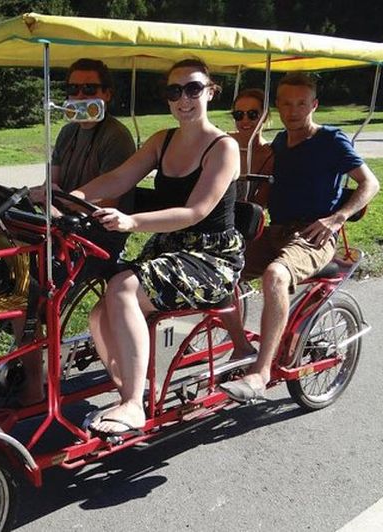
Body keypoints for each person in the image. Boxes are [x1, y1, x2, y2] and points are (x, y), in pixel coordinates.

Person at [72, 58, 243, 436]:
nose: (183, 98)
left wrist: (132, 222)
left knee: (122, 288)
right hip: (170, 246)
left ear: (211, 91)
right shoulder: (161, 140)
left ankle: (134, 405)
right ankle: (129, 395)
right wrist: (71, 197)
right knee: (100, 313)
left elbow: (195, 212)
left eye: (193, 88)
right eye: (173, 91)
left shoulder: (224, 147)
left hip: (212, 256)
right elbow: (118, 178)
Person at [219, 72, 380, 403]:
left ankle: (260, 375)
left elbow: (370, 184)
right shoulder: (281, 142)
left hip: (313, 234)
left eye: (302, 104)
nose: (294, 111)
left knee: (275, 276)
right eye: (287, 104)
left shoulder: (332, 140)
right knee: (220, 268)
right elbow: (271, 188)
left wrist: (336, 219)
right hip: (275, 229)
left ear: (314, 104)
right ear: (277, 106)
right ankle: (240, 345)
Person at [17, 58, 136, 406]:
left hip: (97, 237)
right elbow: (51, 183)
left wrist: (58, 203)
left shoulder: (116, 137)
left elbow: (108, 199)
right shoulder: (68, 131)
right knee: (8, 269)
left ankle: (36, 379)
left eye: (89, 89)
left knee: (36, 293)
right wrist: (40, 197)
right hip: (62, 229)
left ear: (107, 94)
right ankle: (24, 357)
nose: (79, 95)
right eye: (72, 89)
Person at [230, 88, 274, 206]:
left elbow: (260, 203)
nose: (245, 120)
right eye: (238, 115)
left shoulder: (269, 156)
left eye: (252, 115)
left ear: (264, 116)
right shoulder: (223, 143)